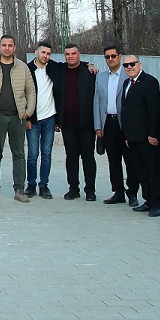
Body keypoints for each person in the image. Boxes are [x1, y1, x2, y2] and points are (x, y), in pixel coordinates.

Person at [0, 35, 35, 203]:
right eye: (3, 45)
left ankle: (19, 188)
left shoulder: (23, 67)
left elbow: (30, 91)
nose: (6, 48)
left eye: (10, 45)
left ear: (14, 48)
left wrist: (28, 111)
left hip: (17, 118)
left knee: (18, 153)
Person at [119, 55, 160, 217]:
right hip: (132, 136)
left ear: (140, 64)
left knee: (153, 170)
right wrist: (126, 134)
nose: (129, 67)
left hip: (147, 137)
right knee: (140, 171)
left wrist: (153, 133)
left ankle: (156, 203)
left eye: (132, 64)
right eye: (126, 65)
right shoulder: (127, 83)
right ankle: (147, 200)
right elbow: (126, 110)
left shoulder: (149, 82)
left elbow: (154, 110)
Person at [93, 44, 138, 206]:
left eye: (113, 56)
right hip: (108, 123)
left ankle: (132, 192)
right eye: (107, 57)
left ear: (120, 57)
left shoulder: (128, 75)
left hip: (125, 124)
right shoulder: (101, 77)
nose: (110, 59)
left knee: (130, 159)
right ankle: (118, 191)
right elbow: (96, 101)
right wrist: (98, 125)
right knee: (113, 160)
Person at [55, 43, 98, 201]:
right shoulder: (61, 71)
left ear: (79, 54)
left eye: (73, 53)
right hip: (68, 123)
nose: (70, 56)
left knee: (88, 157)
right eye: (67, 54)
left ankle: (90, 190)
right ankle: (73, 188)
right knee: (71, 157)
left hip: (86, 123)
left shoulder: (88, 72)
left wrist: (88, 64)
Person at [26, 41, 61, 198]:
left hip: (49, 118)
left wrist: (89, 64)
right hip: (32, 119)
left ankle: (44, 185)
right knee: (33, 154)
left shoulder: (54, 67)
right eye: (43, 53)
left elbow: (73, 64)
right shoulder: (27, 69)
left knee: (46, 153)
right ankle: (31, 185)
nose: (45, 56)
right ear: (36, 53)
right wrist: (26, 115)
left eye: (48, 53)